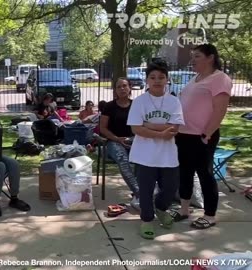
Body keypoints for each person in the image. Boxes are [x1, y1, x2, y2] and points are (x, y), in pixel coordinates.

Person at [170, 44, 232, 229]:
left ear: (210, 57)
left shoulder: (219, 79)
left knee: (205, 175)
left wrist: (207, 134)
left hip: (202, 136)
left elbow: (220, 109)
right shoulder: (196, 78)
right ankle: (184, 209)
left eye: (197, 56)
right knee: (185, 173)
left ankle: (210, 215)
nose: (193, 60)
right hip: (184, 134)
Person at [127, 61, 184, 239]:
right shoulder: (139, 102)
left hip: (168, 155)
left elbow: (175, 128)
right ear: (147, 80)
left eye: (161, 77)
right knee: (145, 190)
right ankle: (146, 219)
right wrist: (161, 131)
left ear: (167, 80)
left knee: (170, 187)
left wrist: (149, 125)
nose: (157, 81)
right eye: (152, 77)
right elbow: (135, 129)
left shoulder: (174, 101)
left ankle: (160, 208)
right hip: (144, 155)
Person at [99, 78, 140, 209]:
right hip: (113, 141)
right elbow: (103, 128)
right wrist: (117, 139)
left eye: (124, 86)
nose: (122, 89)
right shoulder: (109, 107)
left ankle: (149, 191)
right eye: (118, 87)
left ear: (130, 88)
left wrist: (132, 140)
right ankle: (139, 192)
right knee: (122, 158)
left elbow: (141, 126)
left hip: (133, 140)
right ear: (115, 90)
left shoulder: (136, 105)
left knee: (144, 158)